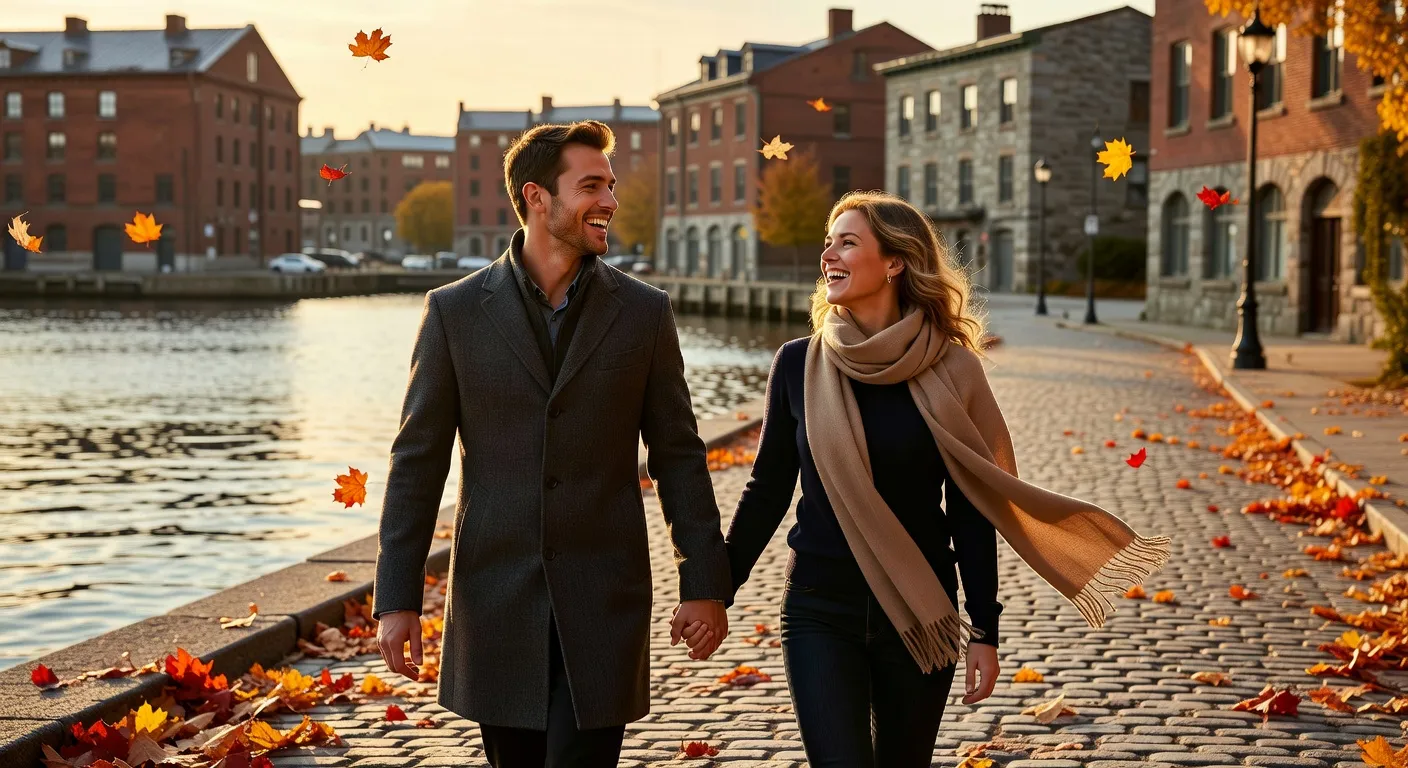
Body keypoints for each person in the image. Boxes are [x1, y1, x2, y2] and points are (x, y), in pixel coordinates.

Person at [724, 191, 1171, 767]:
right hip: (817, 606)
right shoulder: (798, 364)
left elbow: (972, 505)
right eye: (829, 240)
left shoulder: (953, 369)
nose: (827, 253)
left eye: (847, 241)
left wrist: (985, 628)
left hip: (920, 611)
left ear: (895, 262)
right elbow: (768, 488)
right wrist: (717, 589)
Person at [372, 120, 732, 768]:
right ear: (538, 198)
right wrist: (396, 597)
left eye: (611, 186)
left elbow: (679, 452)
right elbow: (416, 462)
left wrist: (702, 581)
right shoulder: (453, 313)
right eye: (591, 185)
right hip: (495, 605)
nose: (611, 203)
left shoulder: (645, 313)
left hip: (603, 606)